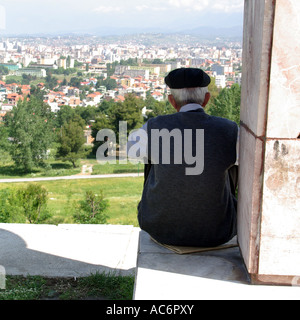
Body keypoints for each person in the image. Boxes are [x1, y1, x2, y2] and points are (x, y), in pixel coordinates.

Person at [128, 68, 239, 247]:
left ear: (172, 101)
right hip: (218, 232)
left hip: (160, 230)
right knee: (234, 161)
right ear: (207, 99)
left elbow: (132, 153)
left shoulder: (153, 127)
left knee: (150, 159)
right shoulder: (230, 130)